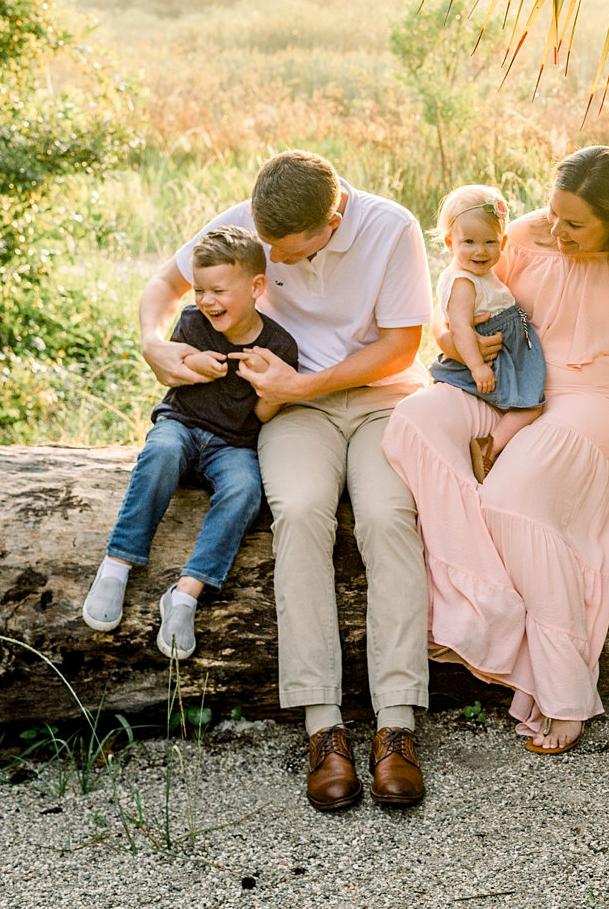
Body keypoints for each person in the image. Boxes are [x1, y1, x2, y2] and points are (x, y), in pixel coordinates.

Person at [137, 149, 432, 811]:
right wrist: (154, 342)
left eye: (284, 251)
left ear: (332, 220)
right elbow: (164, 285)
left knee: (388, 517)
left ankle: (397, 724)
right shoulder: (255, 218)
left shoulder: (391, 228)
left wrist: (307, 378)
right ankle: (322, 724)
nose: (271, 258)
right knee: (298, 511)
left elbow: (402, 345)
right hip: (290, 409)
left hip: (383, 399)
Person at [383, 144, 609, 756]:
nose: (557, 230)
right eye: (555, 214)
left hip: (598, 398)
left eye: (576, 224)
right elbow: (455, 300)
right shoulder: (521, 236)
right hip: (512, 380)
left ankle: (564, 688)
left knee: (512, 496)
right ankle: (485, 602)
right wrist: (457, 341)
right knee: (415, 421)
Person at [82, 226, 299, 661]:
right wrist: (190, 360)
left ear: (257, 287)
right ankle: (117, 564)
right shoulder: (191, 323)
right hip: (181, 425)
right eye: (199, 289)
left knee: (244, 490)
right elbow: (172, 372)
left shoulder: (279, 345)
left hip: (233, 444)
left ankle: (185, 594)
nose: (207, 300)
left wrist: (272, 391)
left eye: (219, 290)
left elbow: (261, 416)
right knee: (160, 451)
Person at [426, 184, 545, 481]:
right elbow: (462, 328)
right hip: (493, 354)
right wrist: (478, 368)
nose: (480, 251)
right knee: (530, 406)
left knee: (527, 401)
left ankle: (494, 447)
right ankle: (489, 448)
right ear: (450, 243)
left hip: (509, 345)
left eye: (489, 242)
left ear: (503, 242)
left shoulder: (476, 273)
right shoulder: (463, 283)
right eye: (469, 241)